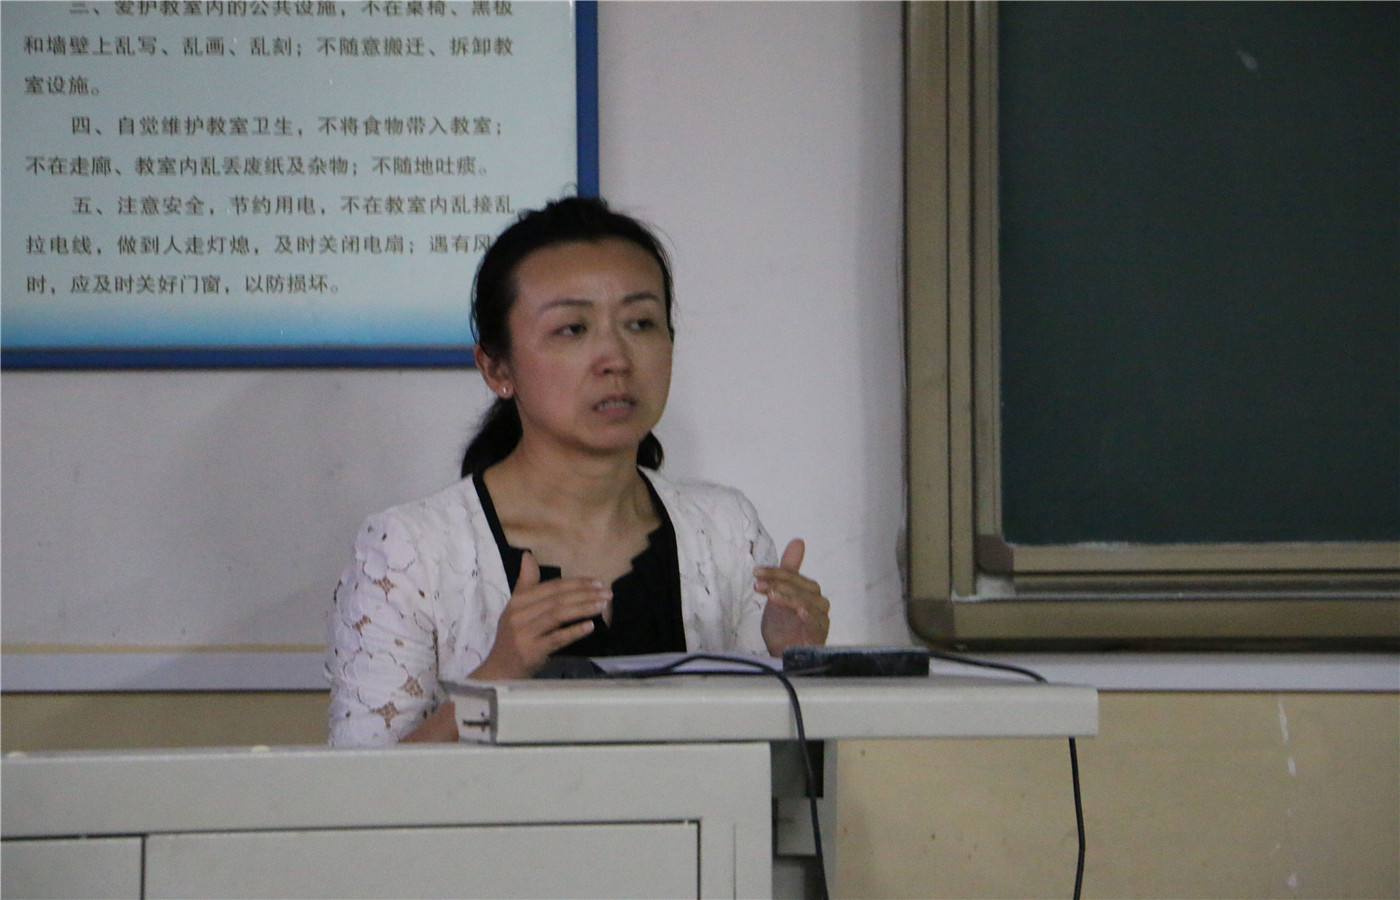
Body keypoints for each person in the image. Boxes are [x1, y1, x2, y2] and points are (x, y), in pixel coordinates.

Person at [326, 196, 830, 747]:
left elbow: (773, 767)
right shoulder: (408, 551)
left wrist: (794, 662)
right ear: (497, 368)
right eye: (572, 329)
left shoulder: (726, 530)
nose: (615, 358)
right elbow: (358, 786)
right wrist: (498, 674)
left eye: (641, 323)